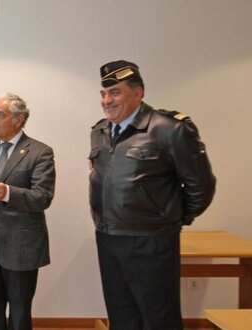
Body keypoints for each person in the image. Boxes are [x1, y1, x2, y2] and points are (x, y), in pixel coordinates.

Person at [89, 60, 216, 329]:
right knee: (122, 315)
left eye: (115, 92)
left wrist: (172, 218)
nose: (107, 100)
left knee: (159, 318)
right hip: (108, 237)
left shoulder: (170, 129)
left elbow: (201, 185)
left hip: (152, 241)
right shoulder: (100, 131)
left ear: (138, 92)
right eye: (103, 93)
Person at [0, 92, 56, 330]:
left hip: (22, 248)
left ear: (19, 119)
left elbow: (42, 197)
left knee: (19, 312)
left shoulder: (40, 152)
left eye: (0, 115)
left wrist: (7, 192)